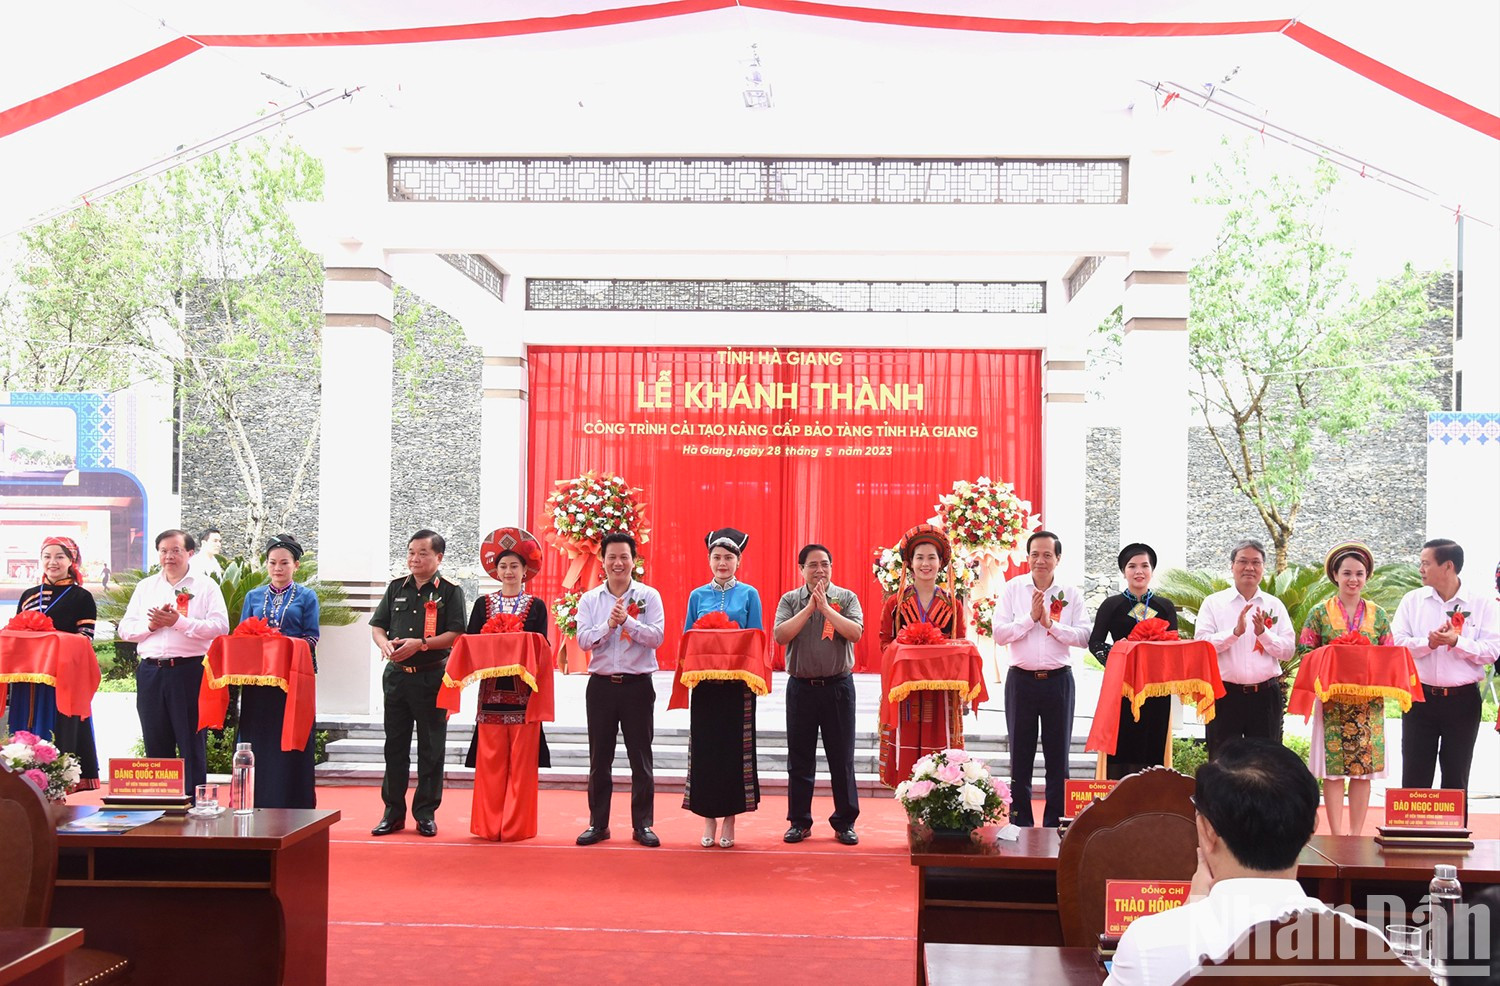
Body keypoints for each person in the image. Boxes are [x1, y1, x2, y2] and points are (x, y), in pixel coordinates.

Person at [1105, 738, 1379, 986]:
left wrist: (1190, 913)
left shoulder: (1151, 943)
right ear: (1311, 828)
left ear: (1207, 831)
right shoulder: (1367, 947)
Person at [117, 529, 230, 795]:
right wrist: (151, 626)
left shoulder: (205, 586)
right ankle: (161, 804)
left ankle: (193, 803)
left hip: (188, 671)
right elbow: (125, 629)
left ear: (190, 553)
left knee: (191, 742)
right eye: (164, 551)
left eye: (176, 550)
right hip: (150, 672)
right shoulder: (146, 587)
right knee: (155, 740)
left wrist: (179, 622)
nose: (169, 556)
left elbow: (220, 627)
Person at [369, 530, 467, 838]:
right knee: (394, 747)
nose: (415, 558)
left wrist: (422, 645)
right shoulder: (396, 587)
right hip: (397, 677)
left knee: (431, 747)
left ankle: (425, 813)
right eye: (411, 552)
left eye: (423, 553)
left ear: (438, 558)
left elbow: (456, 634)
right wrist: (384, 645)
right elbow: (378, 626)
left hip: (431, 677)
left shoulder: (450, 591)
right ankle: (392, 813)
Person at [990, 530, 1090, 827]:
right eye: (1035, 554)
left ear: (1058, 558)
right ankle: (1019, 822)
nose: (1040, 560)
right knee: (1020, 757)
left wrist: (1050, 625)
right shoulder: (1012, 589)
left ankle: (1055, 824)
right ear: (1027, 557)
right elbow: (999, 634)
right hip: (1021, 682)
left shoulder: (1070, 593)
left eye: (1047, 554)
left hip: (1058, 682)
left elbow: (1084, 636)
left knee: (1058, 759)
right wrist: (1030, 619)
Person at [1391, 538, 1499, 804]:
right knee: (1415, 776)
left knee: (1456, 775)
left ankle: (1452, 841)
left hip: (1462, 701)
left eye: (1426, 563)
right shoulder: (1412, 601)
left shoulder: (1482, 603)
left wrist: (1456, 642)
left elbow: (1492, 650)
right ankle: (1412, 838)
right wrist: (1427, 643)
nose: (1420, 569)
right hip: (1419, 698)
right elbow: (1396, 643)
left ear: (1447, 566)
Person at [575, 532, 666, 847]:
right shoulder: (590, 600)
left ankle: (643, 825)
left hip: (637, 686)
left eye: (624, 556)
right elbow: (584, 640)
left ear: (634, 560)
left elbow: (656, 637)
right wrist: (609, 626)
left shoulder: (648, 596)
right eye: (611, 557)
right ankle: (598, 824)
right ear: (602, 561)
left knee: (640, 758)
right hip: (601, 687)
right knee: (600, 759)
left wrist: (627, 622)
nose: (618, 563)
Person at [1295, 541, 1393, 837]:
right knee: (1334, 771)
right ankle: (1337, 835)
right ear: (1335, 575)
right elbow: (1304, 651)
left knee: (1364, 773)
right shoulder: (1319, 613)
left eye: (1359, 574)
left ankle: (1356, 834)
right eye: (1347, 573)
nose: (1353, 579)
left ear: (1367, 577)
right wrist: (1332, 656)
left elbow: (1389, 652)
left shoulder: (1379, 614)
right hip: (1332, 701)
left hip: (1369, 703)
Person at [463, 527, 551, 842]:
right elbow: (469, 645)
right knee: (490, 765)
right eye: (503, 566)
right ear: (495, 571)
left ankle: (517, 827)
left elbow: (543, 648)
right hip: (490, 696)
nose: (509, 572)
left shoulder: (536, 606)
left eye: (514, 566)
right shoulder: (483, 605)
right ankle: (488, 826)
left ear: (525, 571)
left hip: (525, 698)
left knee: (522, 768)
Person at [774, 543, 864, 846]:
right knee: (799, 759)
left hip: (838, 688)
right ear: (801, 570)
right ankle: (799, 822)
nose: (819, 570)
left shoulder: (846, 598)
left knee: (842, 758)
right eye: (812, 565)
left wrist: (826, 608)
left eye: (824, 564)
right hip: (801, 689)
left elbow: (855, 633)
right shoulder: (790, 600)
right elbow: (780, 636)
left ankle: (845, 822)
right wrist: (811, 608)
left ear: (832, 566)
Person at [682, 527, 763, 849]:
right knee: (706, 751)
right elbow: (688, 637)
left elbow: (756, 636)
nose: (722, 563)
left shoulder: (749, 594)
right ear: (708, 561)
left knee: (734, 752)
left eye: (728, 557)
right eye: (716, 557)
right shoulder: (697, 595)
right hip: (705, 685)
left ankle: (730, 818)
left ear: (738, 562)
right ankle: (708, 818)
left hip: (737, 686)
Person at [877, 524, 968, 788]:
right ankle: (911, 804)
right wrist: (905, 654)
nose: (925, 563)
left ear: (941, 563)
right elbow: (885, 643)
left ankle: (939, 805)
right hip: (905, 692)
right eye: (920, 557)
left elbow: (960, 644)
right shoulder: (894, 604)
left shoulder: (953, 604)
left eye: (931, 557)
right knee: (907, 754)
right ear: (910, 562)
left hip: (942, 694)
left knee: (942, 753)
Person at [10, 537, 102, 790]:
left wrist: (53, 641)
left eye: (59, 557)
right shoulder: (28, 596)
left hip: (62, 679)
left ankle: (57, 785)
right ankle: (22, 782)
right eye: (47, 556)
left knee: (58, 730)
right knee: (22, 730)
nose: (52, 562)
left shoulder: (81, 597)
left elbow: (85, 640)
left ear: (71, 561)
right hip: (27, 679)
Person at [238, 533, 319, 809]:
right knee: (259, 740)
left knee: (291, 739)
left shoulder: (307, 596)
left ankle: (293, 801)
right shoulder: (253, 595)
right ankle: (256, 798)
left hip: (293, 680)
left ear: (296, 565)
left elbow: (311, 638)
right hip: (259, 682)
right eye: (272, 563)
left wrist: (282, 644)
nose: (277, 568)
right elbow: (241, 635)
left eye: (284, 563)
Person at [1194, 539, 1294, 759]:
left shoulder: (1274, 605)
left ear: (1263, 568)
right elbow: (1201, 645)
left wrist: (1263, 634)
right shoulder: (1213, 603)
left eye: (1256, 562)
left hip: (1265, 697)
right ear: (1232, 566)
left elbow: (1288, 651)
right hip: (1223, 695)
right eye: (1243, 561)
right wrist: (1235, 633)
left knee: (1265, 765)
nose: (1249, 567)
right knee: (1222, 763)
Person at [1089, 543, 1179, 780]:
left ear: (1152, 570)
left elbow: (1173, 644)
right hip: (1122, 688)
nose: (1139, 571)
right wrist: (1120, 662)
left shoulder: (1165, 606)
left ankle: (1152, 800)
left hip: (1155, 691)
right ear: (1123, 571)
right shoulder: (1111, 605)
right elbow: (1095, 643)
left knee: (1153, 741)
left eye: (1144, 566)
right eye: (1132, 566)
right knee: (1121, 742)